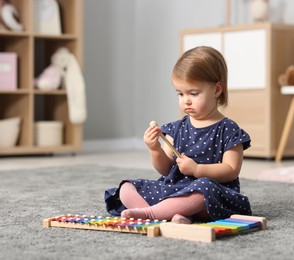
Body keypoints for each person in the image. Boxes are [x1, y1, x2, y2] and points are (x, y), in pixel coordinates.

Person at [104, 46, 252, 224]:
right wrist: (155, 149)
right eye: (180, 94)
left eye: (194, 93)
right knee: (126, 188)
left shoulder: (229, 129)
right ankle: (175, 213)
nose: (186, 100)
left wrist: (198, 170)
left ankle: (152, 214)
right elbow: (166, 169)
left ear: (217, 90)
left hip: (211, 194)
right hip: (175, 189)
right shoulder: (176, 128)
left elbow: (231, 170)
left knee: (203, 189)